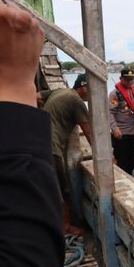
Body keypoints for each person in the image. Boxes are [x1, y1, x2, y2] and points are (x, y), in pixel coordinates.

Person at [0, 0, 64, 267]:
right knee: (57, 193)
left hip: (45, 147)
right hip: (50, 151)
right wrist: (15, 82)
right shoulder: (70, 101)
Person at [42, 73, 92, 235]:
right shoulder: (77, 102)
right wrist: (105, 157)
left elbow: (35, 95)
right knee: (60, 188)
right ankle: (65, 226)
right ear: (84, 88)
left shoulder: (59, 91)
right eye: (90, 91)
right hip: (52, 146)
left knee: (51, 184)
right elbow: (89, 133)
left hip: (38, 138)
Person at [109, 68, 134, 174]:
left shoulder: (133, 90)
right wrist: (115, 129)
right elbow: (110, 113)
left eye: (132, 79)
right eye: (127, 79)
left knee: (132, 155)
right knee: (122, 159)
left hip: (133, 131)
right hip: (121, 133)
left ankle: (130, 175)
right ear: (121, 79)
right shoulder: (115, 94)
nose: (130, 82)